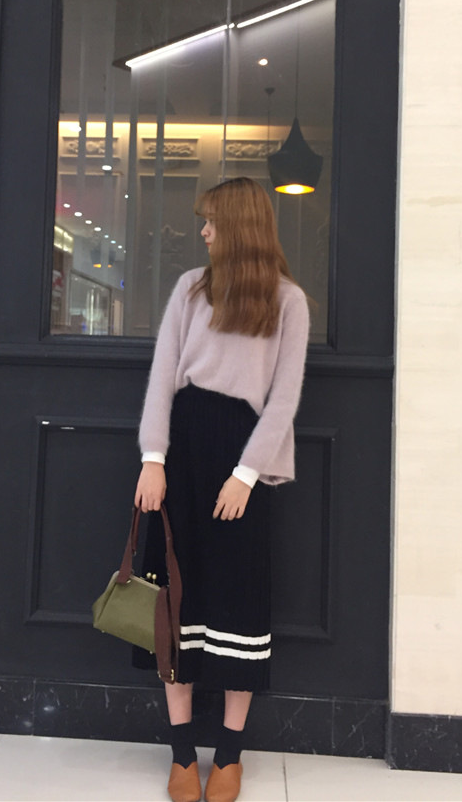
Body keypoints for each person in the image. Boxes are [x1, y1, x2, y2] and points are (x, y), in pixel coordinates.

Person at [134, 176, 310, 802]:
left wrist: (246, 474)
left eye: (211, 221)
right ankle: (183, 752)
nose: (204, 231)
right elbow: (162, 377)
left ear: (238, 227)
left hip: (242, 455)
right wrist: (153, 458)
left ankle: (230, 754)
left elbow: (284, 398)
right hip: (182, 449)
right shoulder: (191, 288)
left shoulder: (288, 301)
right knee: (174, 596)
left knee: (238, 598)